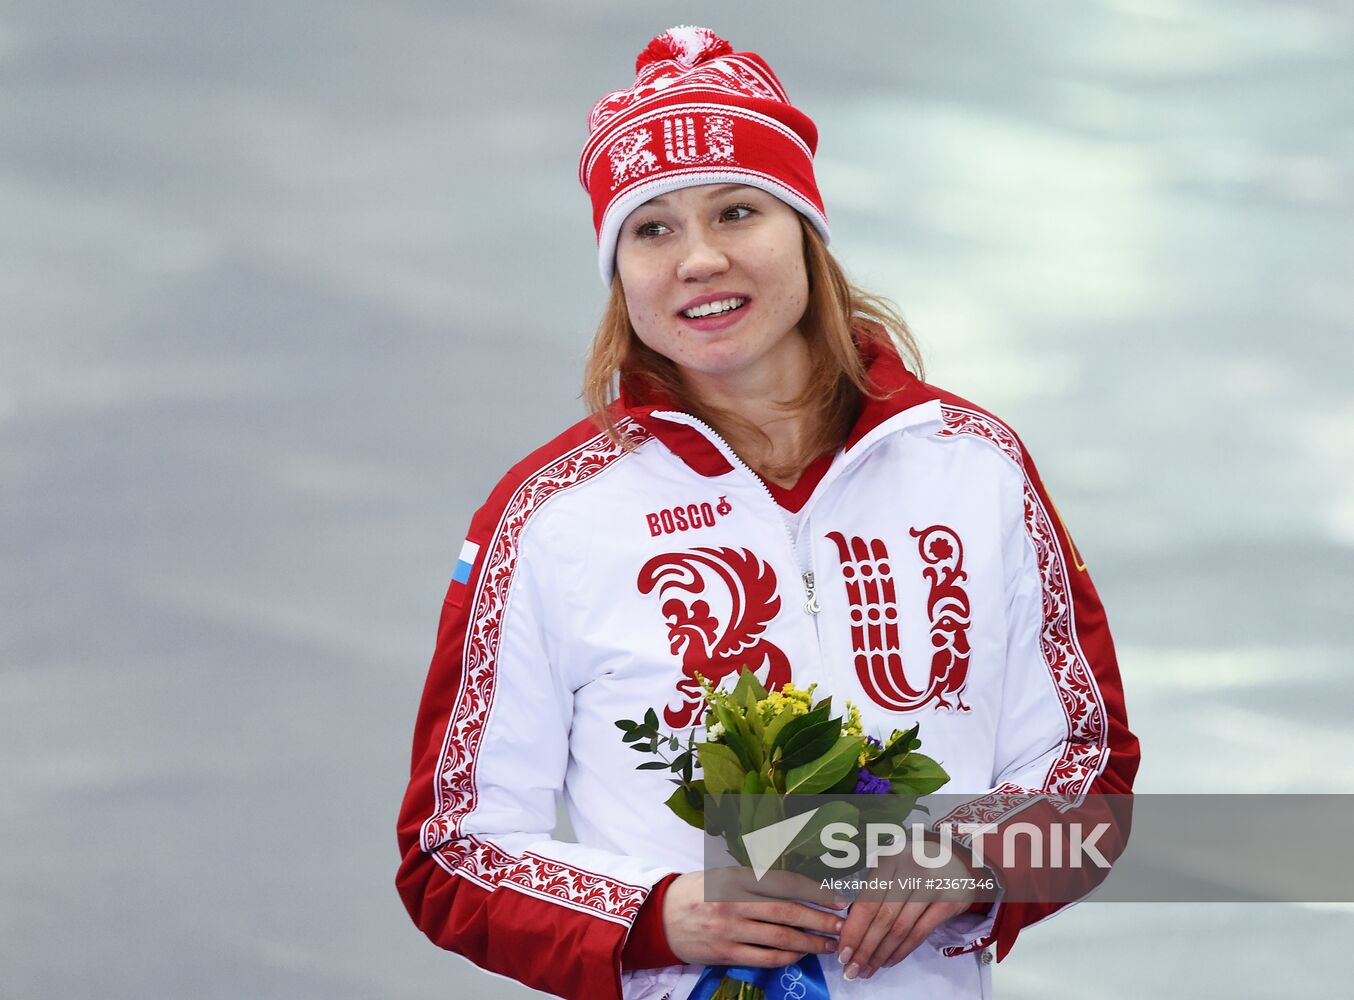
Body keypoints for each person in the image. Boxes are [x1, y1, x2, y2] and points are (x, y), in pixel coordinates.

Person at [396, 25, 1139, 1000]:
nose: (697, 258)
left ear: (805, 230)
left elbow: (1088, 772)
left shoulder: (974, 467)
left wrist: (972, 854)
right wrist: (658, 915)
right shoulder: (548, 518)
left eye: (737, 211)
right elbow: (450, 850)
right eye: (651, 228)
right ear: (618, 273)